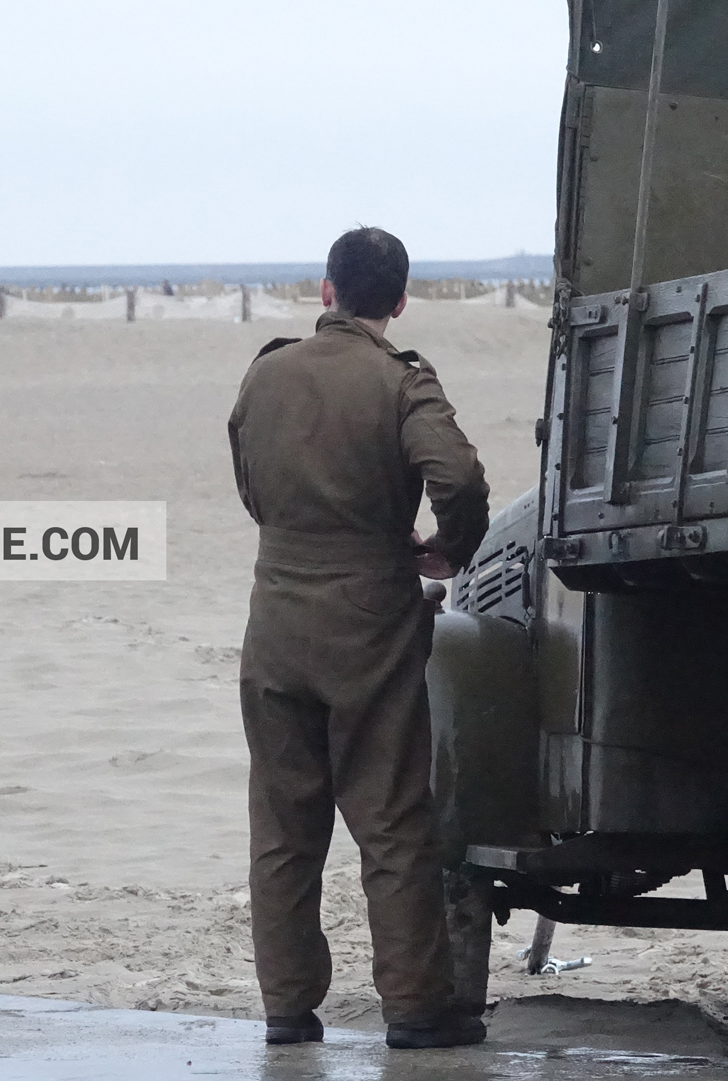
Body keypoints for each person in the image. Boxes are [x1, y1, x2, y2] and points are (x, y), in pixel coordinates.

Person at [227, 227, 491, 1049]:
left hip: (275, 615)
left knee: (283, 826)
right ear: (401, 301)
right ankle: (413, 1008)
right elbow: (458, 477)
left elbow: (247, 476)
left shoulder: (266, 372)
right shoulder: (401, 380)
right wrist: (450, 547)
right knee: (391, 819)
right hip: (370, 620)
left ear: (325, 290)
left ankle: (288, 1007)